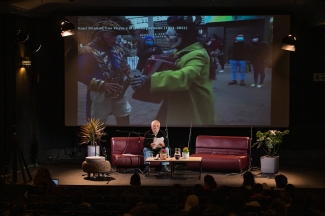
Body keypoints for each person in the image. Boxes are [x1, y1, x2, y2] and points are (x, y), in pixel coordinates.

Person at [131, 16, 216, 126]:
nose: (168, 40)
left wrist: (150, 79)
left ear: (184, 37)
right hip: (178, 100)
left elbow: (184, 76)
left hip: (193, 103)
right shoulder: (183, 51)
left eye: (171, 37)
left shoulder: (198, 54)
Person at [78, 17, 133, 125]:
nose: (114, 38)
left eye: (116, 35)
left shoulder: (117, 48)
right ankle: (95, 142)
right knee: (97, 121)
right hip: (99, 93)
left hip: (119, 90)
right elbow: (78, 73)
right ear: (99, 35)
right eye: (111, 34)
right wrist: (102, 84)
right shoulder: (87, 51)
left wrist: (124, 69)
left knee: (124, 115)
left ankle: (124, 138)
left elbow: (119, 65)